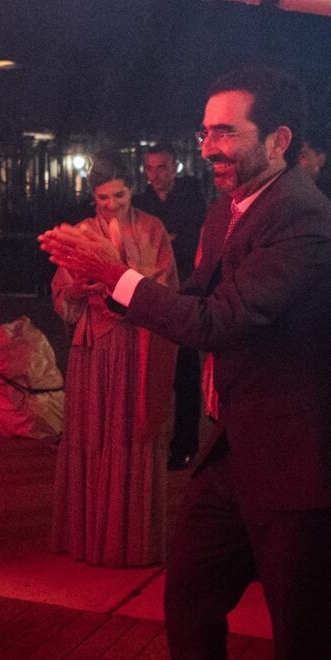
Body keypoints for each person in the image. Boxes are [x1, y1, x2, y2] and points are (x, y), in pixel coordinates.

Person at [39, 67, 331, 660]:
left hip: (305, 453)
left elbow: (224, 322)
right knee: (189, 592)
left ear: (278, 139)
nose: (210, 146)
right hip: (240, 445)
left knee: (300, 631)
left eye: (227, 132)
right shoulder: (229, 209)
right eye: (206, 131)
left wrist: (119, 279)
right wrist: (104, 289)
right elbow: (198, 301)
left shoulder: (308, 220)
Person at [48, 162, 178, 566]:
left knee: (131, 427)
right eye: (102, 197)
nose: (110, 204)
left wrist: (123, 279)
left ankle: (130, 538)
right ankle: (89, 536)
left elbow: (165, 287)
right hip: (93, 346)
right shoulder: (82, 231)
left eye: (118, 195)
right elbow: (62, 290)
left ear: (132, 191)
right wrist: (76, 288)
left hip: (136, 341)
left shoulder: (152, 228)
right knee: (92, 430)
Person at [133, 146, 207, 469]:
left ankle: (185, 442)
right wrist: (167, 241)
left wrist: (162, 244)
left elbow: (192, 242)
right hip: (152, 292)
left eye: (161, 167)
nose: (155, 175)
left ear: (175, 166)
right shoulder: (141, 202)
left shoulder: (191, 197)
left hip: (184, 291)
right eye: (150, 168)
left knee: (185, 367)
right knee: (148, 366)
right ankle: (147, 438)